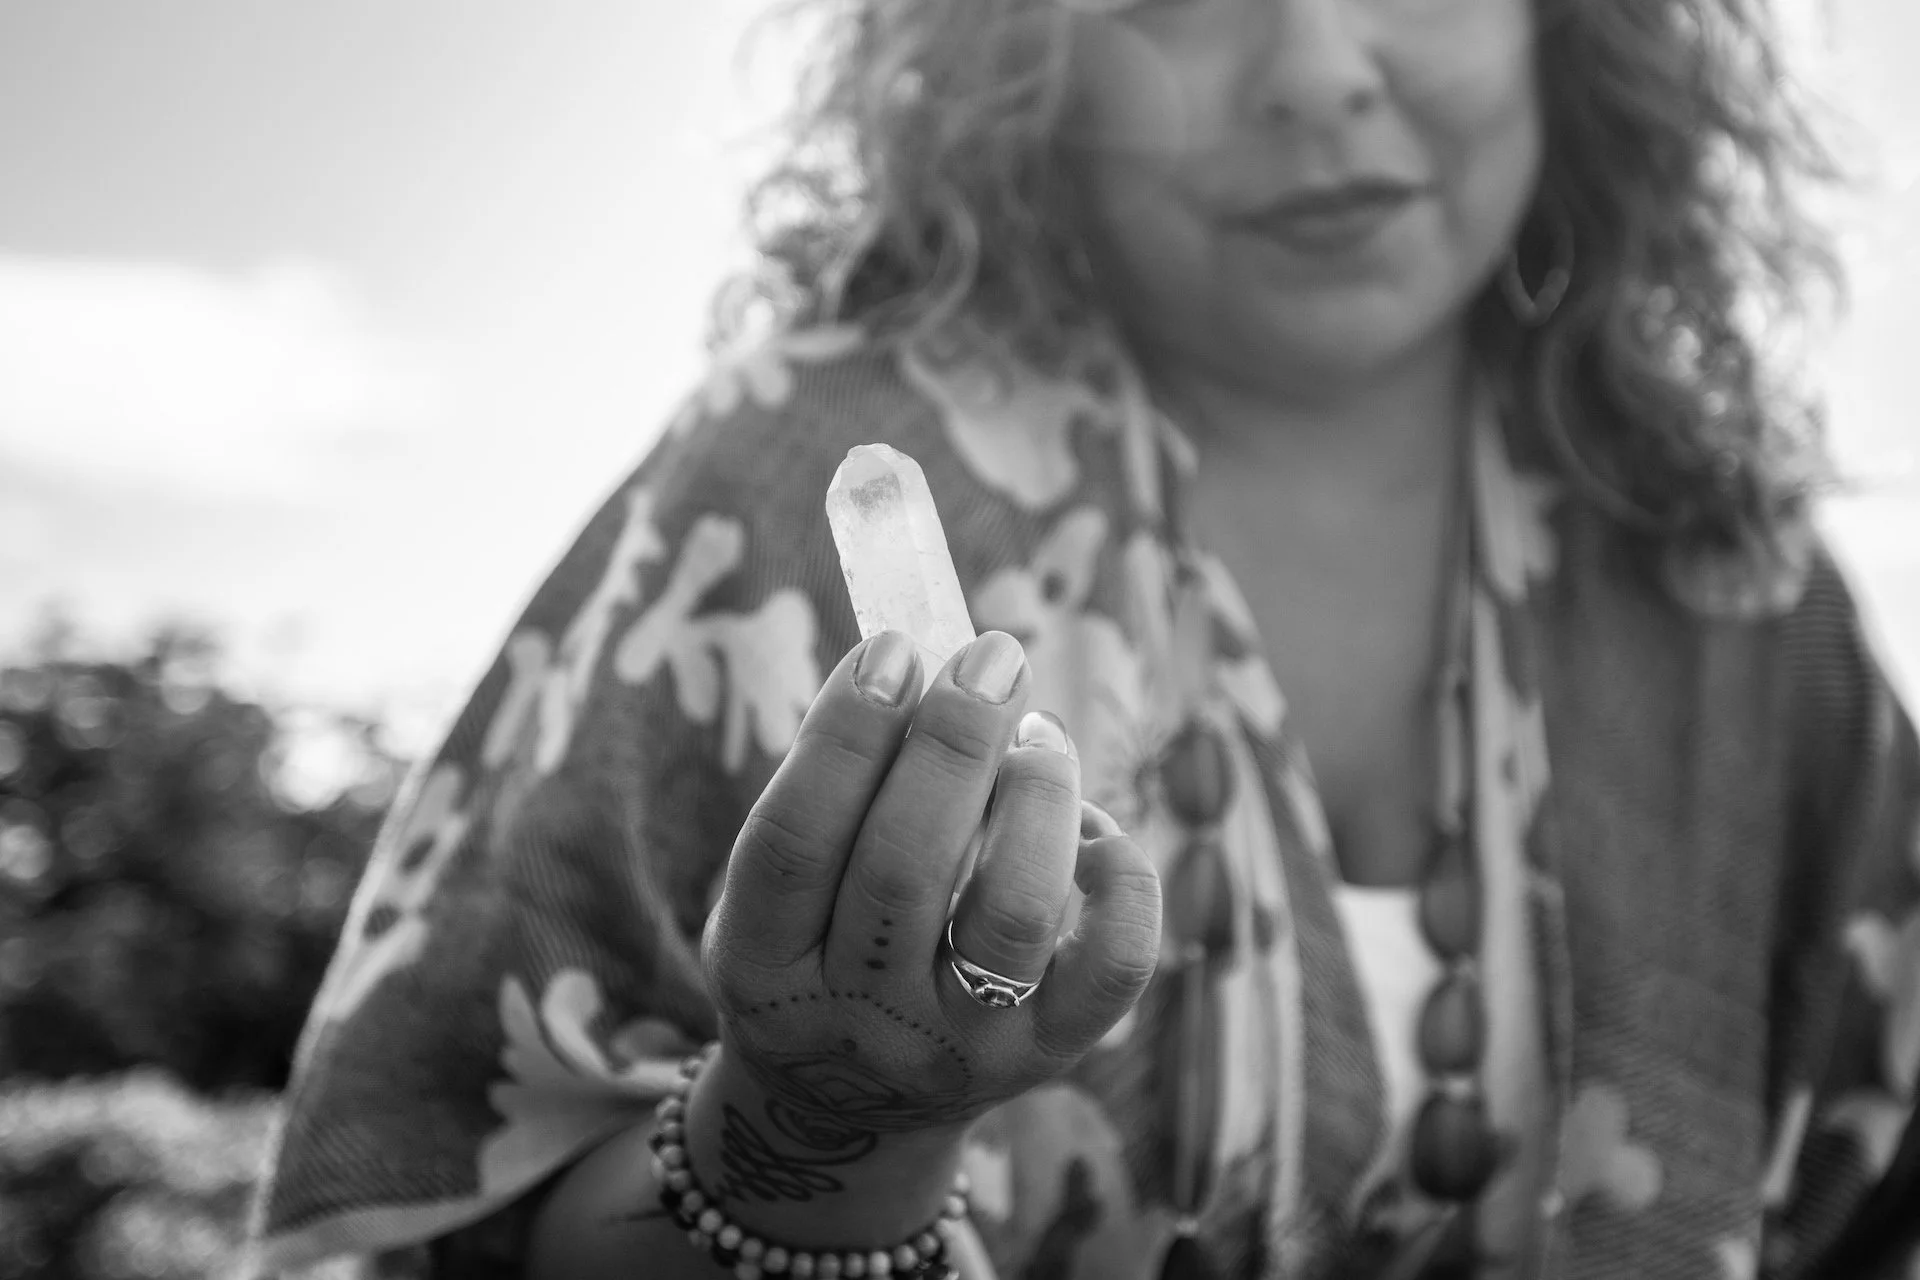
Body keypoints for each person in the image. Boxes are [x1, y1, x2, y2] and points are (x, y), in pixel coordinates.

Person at [246, 0, 1920, 1277]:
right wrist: (809, 1128)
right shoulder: (795, 490)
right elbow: (450, 1225)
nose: (1319, 67)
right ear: (1017, 58)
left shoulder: (1733, 592)